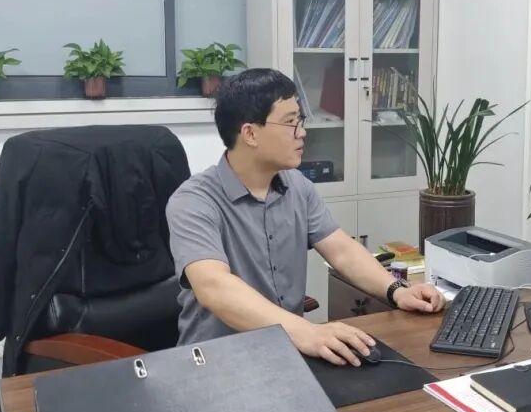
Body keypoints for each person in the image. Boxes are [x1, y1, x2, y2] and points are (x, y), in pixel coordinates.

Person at [167, 68, 444, 365]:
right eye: (290, 123)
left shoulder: (297, 186)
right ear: (250, 133)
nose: (302, 132)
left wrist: (397, 291)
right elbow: (214, 287)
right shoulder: (194, 201)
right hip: (217, 361)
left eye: (300, 120)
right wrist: (306, 331)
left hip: (287, 353)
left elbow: (341, 250)